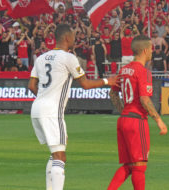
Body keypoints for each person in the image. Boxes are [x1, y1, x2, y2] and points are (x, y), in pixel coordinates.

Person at [28, 24, 118, 190]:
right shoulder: (68, 58)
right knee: (60, 156)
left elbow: (32, 85)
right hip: (51, 110)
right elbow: (85, 84)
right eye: (73, 37)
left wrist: (44, 97)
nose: (75, 40)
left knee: (54, 153)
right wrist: (107, 81)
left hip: (37, 107)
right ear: (67, 38)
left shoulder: (41, 57)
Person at [108, 35, 168, 190]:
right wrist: (159, 121)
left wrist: (124, 111)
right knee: (139, 166)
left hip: (124, 119)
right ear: (145, 50)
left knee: (128, 165)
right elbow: (145, 100)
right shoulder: (143, 71)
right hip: (137, 121)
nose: (152, 52)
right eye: (151, 49)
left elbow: (112, 93)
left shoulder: (123, 70)